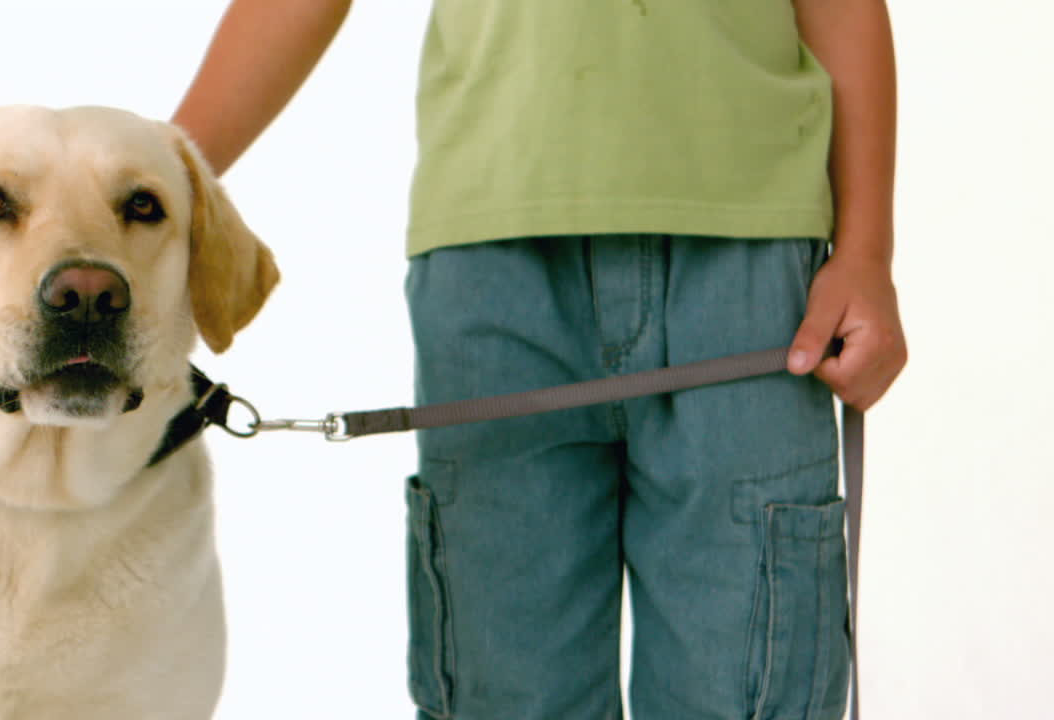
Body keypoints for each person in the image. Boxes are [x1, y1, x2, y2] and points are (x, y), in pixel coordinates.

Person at [173, 1, 907, 718]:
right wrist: (148, 189)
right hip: (493, 266)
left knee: (746, 688)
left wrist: (868, 251)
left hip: (749, 253)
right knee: (506, 694)